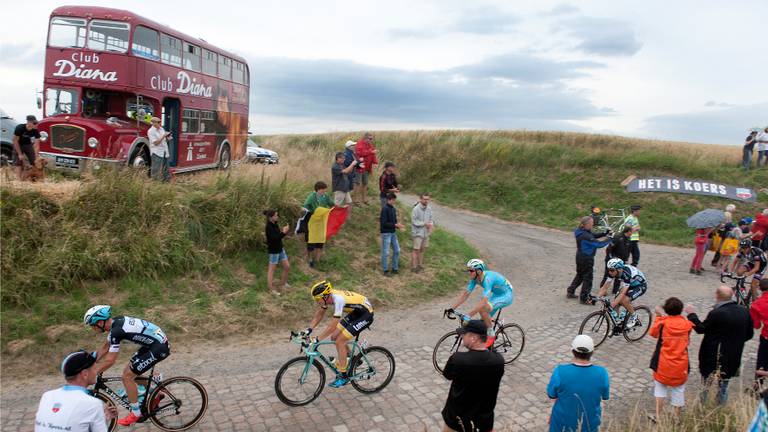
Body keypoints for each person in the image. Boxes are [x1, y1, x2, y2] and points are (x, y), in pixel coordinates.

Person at [84, 305, 170, 426]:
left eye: (92, 325)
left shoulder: (116, 331)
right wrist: (88, 360)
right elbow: (105, 347)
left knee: (127, 377)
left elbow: (110, 360)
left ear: (100, 322)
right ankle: (157, 393)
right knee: (130, 371)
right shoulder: (116, 322)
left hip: (158, 347)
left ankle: (136, 413)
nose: (92, 328)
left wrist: (93, 372)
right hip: (153, 344)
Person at [686, 286, 754, 404]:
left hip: (713, 355)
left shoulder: (717, 313)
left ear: (717, 295)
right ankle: (720, 406)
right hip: (733, 355)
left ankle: (703, 406)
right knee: (724, 385)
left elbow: (701, 329)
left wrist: (692, 315)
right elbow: (749, 334)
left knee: (706, 384)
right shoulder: (744, 311)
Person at [305, 280, 374, 388]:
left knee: (340, 341)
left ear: (326, 296)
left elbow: (332, 326)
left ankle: (343, 376)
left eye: (318, 299)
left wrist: (317, 339)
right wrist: (308, 329)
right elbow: (319, 315)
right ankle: (354, 360)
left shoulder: (338, 300)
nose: (317, 302)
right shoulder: (328, 298)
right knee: (334, 337)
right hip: (356, 312)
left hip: (366, 314)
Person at [440, 320, 504, 432]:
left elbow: (447, 375)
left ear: (473, 338)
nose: (462, 337)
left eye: (464, 334)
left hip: (457, 422)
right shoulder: (498, 360)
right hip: (484, 423)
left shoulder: (458, 359)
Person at [35, 350, 113, 432]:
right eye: (95, 368)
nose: (96, 372)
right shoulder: (93, 404)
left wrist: (102, 418)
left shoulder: (47, 396)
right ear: (85, 374)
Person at [546, 335, 610, 432]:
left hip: (561, 425)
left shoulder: (560, 371)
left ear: (572, 351)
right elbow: (605, 397)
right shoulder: (602, 373)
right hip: (589, 426)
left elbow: (552, 395)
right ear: (592, 352)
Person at [447, 259, 514, 348]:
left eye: (471, 271)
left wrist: (469, 315)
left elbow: (483, 302)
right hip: (497, 294)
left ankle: (491, 333)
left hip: (506, 295)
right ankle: (488, 347)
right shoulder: (475, 279)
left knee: (483, 309)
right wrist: (452, 308)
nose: (469, 273)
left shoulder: (488, 279)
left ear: (478, 271)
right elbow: (465, 295)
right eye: (468, 270)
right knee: (483, 321)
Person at [648, 297, 694, 423]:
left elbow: (653, 333)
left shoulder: (663, 322)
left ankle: (658, 416)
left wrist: (659, 316)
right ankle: (676, 417)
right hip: (681, 363)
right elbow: (687, 340)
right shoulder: (687, 324)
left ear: (667, 310)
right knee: (679, 390)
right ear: (680, 310)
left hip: (663, 363)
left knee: (660, 388)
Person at [566, 216, 612, 304]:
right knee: (588, 278)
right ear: (586, 224)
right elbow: (598, 244)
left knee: (580, 275)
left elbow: (593, 235)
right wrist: (610, 239)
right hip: (586, 258)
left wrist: (604, 233)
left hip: (579, 256)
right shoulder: (585, 236)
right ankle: (584, 298)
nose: (593, 225)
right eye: (591, 224)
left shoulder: (580, 231)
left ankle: (570, 291)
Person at [596, 258, 648, 328]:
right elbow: (605, 287)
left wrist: (612, 305)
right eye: (608, 270)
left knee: (623, 300)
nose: (610, 272)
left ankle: (634, 317)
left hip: (640, 286)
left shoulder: (626, 274)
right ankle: (617, 323)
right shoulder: (614, 272)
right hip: (630, 284)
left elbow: (622, 294)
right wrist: (596, 298)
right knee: (617, 300)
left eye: (611, 270)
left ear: (619, 269)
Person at [302, 181, 334, 268]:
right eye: (323, 190)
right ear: (318, 190)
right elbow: (305, 206)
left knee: (320, 240)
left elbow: (332, 204)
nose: (324, 192)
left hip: (322, 221)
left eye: (325, 190)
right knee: (311, 240)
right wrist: (311, 212)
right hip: (312, 221)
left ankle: (317, 260)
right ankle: (310, 259)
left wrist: (336, 208)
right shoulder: (312, 197)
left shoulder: (325, 196)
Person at [264, 209, 290, 296]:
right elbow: (275, 238)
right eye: (275, 215)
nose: (277, 217)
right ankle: (271, 289)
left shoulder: (275, 224)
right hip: (274, 251)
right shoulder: (268, 227)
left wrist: (283, 232)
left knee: (287, 267)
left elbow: (278, 236)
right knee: (271, 270)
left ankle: (283, 283)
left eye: (277, 215)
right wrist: (284, 232)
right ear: (271, 217)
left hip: (280, 249)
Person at [600, 226, 632, 292]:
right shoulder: (618, 237)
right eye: (631, 231)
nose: (632, 233)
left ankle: (615, 290)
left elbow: (627, 250)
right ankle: (602, 289)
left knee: (619, 275)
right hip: (612, 259)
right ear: (628, 231)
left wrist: (626, 260)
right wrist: (610, 258)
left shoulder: (628, 239)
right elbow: (609, 248)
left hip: (621, 260)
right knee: (608, 274)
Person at [380, 192, 405, 275]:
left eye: (395, 200)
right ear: (389, 200)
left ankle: (395, 268)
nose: (394, 201)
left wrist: (398, 226)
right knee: (386, 252)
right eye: (393, 200)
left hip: (393, 233)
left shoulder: (393, 209)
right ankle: (385, 270)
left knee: (397, 250)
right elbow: (383, 223)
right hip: (386, 233)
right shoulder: (384, 209)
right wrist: (395, 225)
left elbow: (394, 222)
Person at [750, 279, 768, 390]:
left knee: (762, 361)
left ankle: (757, 386)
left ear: (760, 288)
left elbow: (756, 325)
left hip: (766, 336)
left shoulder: (757, 304)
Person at [411, 193, 434, 273]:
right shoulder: (416, 209)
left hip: (426, 233)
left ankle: (420, 265)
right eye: (424, 199)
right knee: (416, 250)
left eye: (427, 199)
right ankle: (414, 267)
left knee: (422, 250)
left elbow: (431, 219)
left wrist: (431, 225)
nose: (426, 201)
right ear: (420, 199)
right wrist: (424, 223)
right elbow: (414, 221)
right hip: (417, 233)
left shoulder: (429, 209)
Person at [12, 115, 41, 180]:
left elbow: (37, 144)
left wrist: (36, 155)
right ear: (28, 122)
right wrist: (19, 154)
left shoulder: (35, 130)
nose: (36, 125)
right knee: (18, 161)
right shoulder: (20, 128)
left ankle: (34, 178)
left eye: (36, 123)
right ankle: (18, 180)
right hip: (18, 144)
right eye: (34, 123)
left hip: (28, 144)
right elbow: (14, 140)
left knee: (34, 161)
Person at [353, 132, 378, 205]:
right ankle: (355, 200)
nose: (371, 140)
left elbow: (372, 154)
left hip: (367, 167)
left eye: (372, 139)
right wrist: (371, 152)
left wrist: (375, 162)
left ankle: (364, 199)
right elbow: (360, 153)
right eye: (370, 139)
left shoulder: (369, 145)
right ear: (365, 138)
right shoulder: (359, 143)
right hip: (360, 167)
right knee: (357, 183)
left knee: (365, 183)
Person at [147, 117, 171, 182]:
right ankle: (155, 183)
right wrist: (163, 136)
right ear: (153, 123)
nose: (160, 123)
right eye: (158, 122)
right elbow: (156, 143)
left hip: (164, 151)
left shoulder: (161, 129)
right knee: (156, 169)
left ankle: (166, 182)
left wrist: (167, 138)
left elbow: (163, 140)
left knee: (166, 168)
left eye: (160, 121)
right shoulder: (150, 131)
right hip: (156, 152)